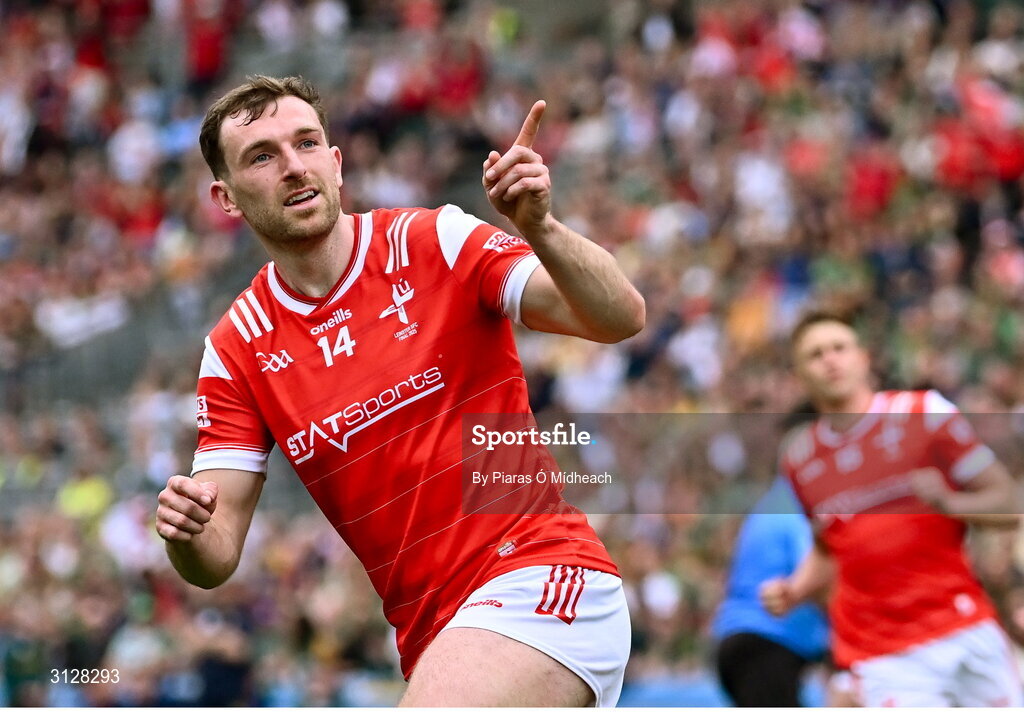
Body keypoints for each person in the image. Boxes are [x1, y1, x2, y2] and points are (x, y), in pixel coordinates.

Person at [153, 75, 644, 706]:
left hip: (540, 577)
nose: (294, 167)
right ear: (226, 198)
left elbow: (619, 316)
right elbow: (216, 555)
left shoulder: (432, 240)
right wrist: (188, 532)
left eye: (307, 144)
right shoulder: (237, 346)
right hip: (433, 635)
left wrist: (541, 229)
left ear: (336, 162)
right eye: (263, 156)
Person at [760, 310, 1022, 707]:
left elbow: (1009, 505)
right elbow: (831, 547)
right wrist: (794, 588)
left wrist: (949, 502)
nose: (830, 359)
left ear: (863, 358)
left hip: (964, 625)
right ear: (800, 376)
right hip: (884, 655)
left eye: (839, 348)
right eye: (815, 354)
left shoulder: (924, 412)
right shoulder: (800, 460)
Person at [712, 475, 829, 706]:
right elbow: (816, 574)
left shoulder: (773, 503)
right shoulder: (799, 505)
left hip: (742, 642)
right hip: (764, 646)